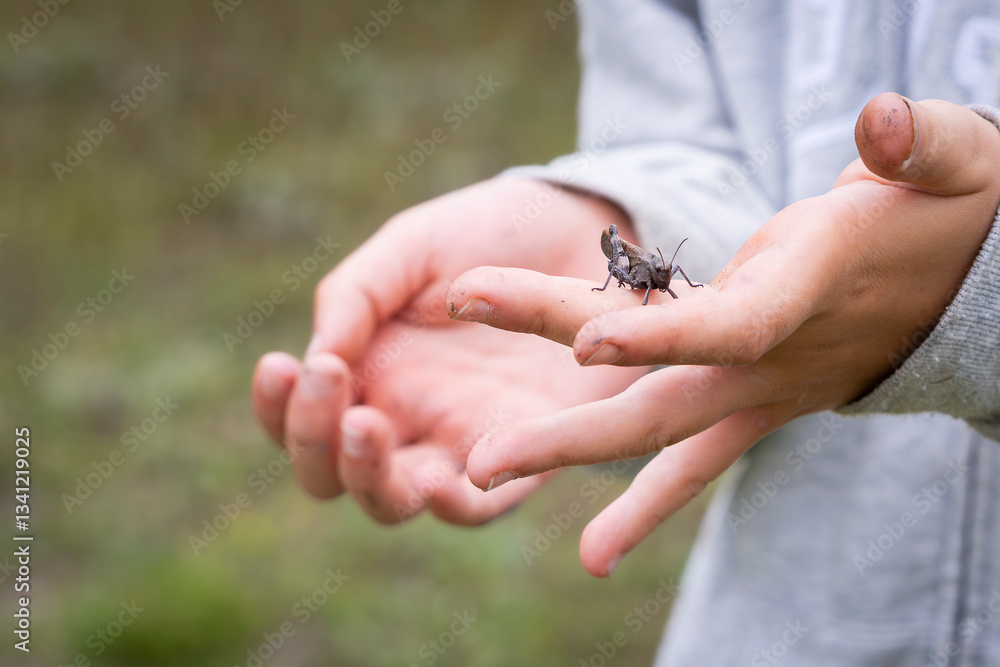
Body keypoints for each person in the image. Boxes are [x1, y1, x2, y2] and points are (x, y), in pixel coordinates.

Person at [252, 1, 1000, 663]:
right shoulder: (635, 270)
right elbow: (678, 151)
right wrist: (624, 208)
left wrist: (971, 287)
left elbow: (673, 283)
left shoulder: (657, 281)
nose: (658, 282)